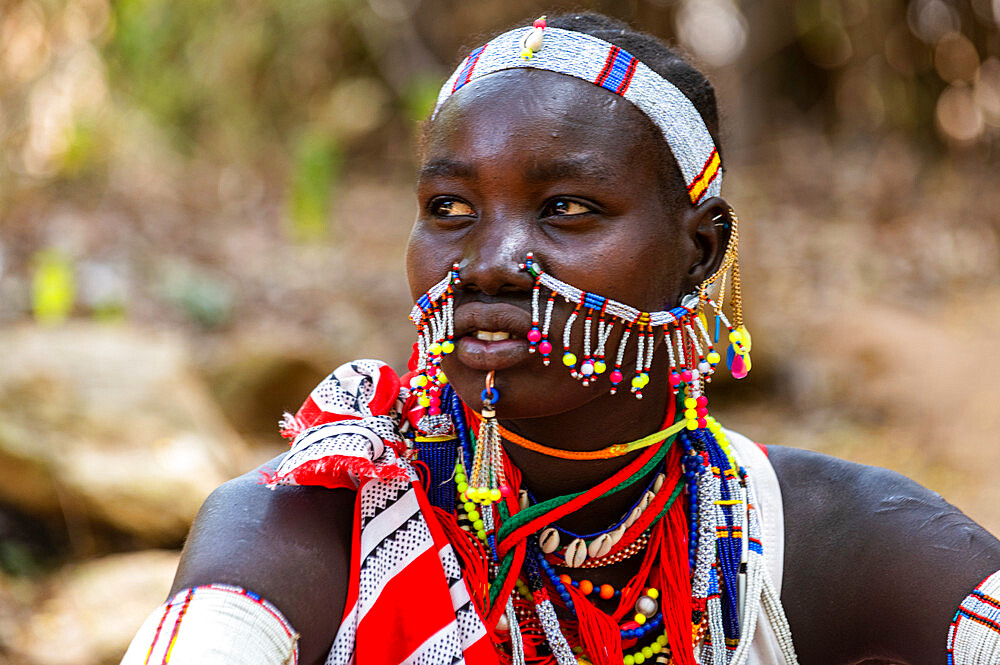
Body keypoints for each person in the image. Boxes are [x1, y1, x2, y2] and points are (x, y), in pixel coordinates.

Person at [120, 12, 1000, 665]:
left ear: (701, 249)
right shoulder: (309, 522)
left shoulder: (814, 537)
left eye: (567, 208)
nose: (492, 263)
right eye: (450, 209)